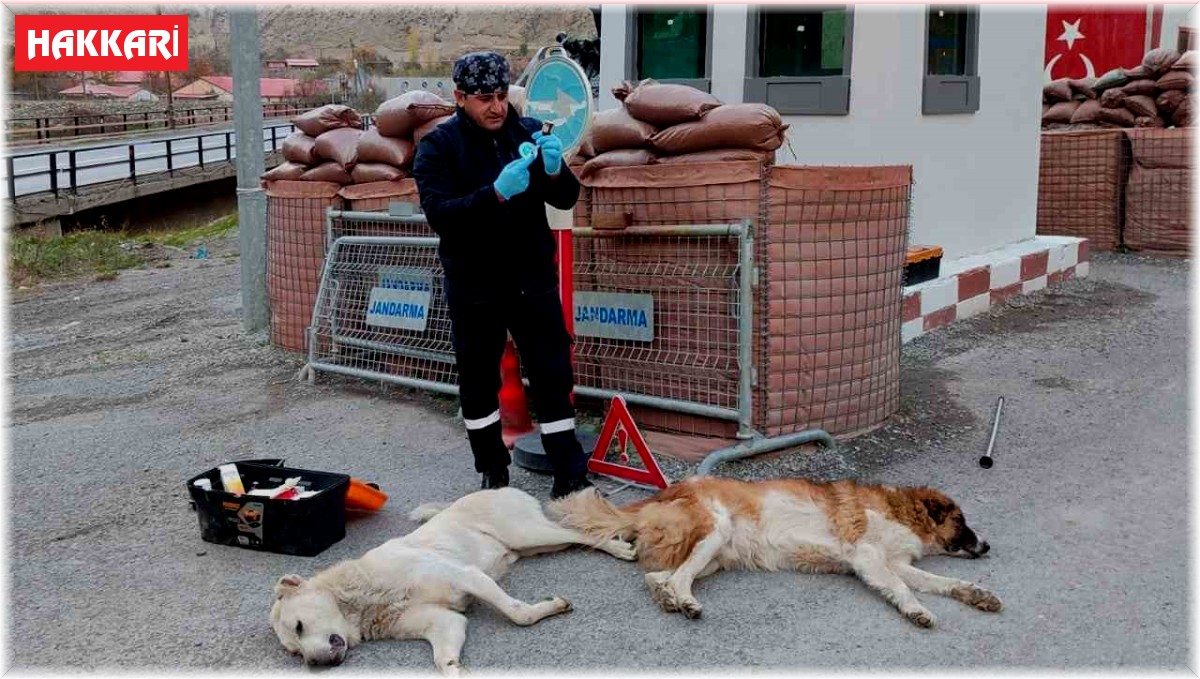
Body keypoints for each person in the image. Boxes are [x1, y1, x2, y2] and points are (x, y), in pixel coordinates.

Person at [412, 51, 594, 500]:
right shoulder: (439, 147)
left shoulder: (528, 132)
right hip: (475, 285)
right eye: (483, 99)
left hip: (531, 278)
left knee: (552, 372)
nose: (495, 107)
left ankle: (569, 474)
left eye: (500, 96)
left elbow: (567, 198)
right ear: (459, 97)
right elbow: (441, 215)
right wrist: (493, 194)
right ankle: (493, 470)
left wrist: (553, 171)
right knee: (478, 380)